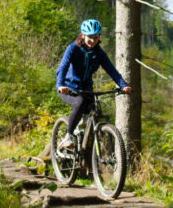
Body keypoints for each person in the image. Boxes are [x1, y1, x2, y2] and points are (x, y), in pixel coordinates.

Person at [55, 19, 131, 149]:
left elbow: (111, 70)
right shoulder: (73, 49)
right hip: (68, 88)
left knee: (95, 111)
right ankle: (69, 135)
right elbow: (63, 67)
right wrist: (60, 85)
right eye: (90, 37)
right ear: (83, 35)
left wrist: (123, 85)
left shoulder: (99, 53)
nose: (93, 40)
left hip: (86, 89)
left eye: (96, 37)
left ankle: (88, 157)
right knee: (80, 102)